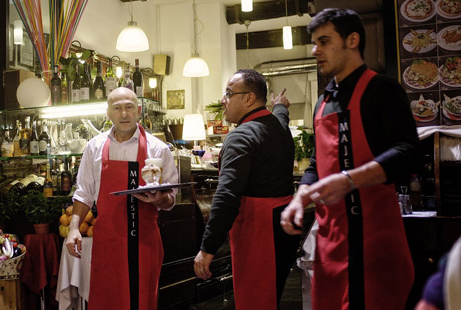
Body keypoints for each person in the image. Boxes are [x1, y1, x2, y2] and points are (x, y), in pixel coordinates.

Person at [280, 8, 422, 310]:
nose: (315, 51)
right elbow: (319, 163)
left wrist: (349, 180)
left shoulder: (382, 90)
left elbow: (409, 153)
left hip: (375, 238)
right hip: (331, 239)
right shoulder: (323, 102)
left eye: (324, 41)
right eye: (314, 43)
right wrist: (299, 197)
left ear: (353, 40)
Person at [193, 69, 300, 310]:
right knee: (270, 296)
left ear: (249, 99)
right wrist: (280, 105)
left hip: (259, 229)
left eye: (229, 94)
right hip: (283, 224)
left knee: (255, 300)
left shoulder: (240, 136)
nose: (223, 100)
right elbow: (281, 117)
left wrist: (208, 248)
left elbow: (227, 195)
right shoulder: (277, 126)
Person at [66, 87, 179, 310]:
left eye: (129, 107)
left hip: (145, 242)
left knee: (142, 300)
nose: (124, 114)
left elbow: (171, 199)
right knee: (107, 300)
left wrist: (158, 199)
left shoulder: (158, 149)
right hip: (108, 242)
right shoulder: (94, 147)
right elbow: (84, 193)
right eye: (117, 108)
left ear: (138, 111)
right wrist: (73, 228)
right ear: (108, 113)